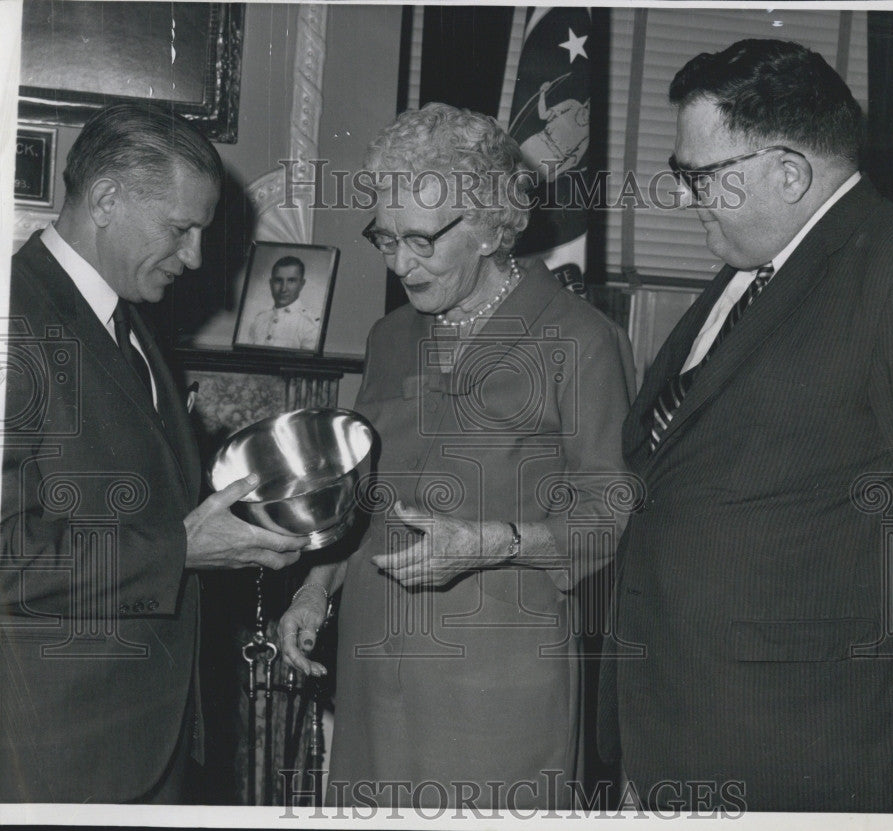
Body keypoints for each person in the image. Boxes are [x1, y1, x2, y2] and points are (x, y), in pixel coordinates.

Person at [598, 39, 893, 813]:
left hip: (820, 750)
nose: (683, 199)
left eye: (700, 176)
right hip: (680, 726)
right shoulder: (749, 269)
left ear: (788, 172)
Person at [279, 102, 635, 810]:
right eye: (384, 236)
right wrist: (316, 588)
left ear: (488, 225)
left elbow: (612, 515)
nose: (397, 262)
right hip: (376, 663)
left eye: (420, 240)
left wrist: (492, 543)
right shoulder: (389, 337)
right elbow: (361, 489)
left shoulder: (581, 340)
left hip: (498, 682)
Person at [0, 103, 309, 803]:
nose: (197, 257)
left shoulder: (128, 320)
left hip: (145, 742)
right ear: (106, 199)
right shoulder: (14, 317)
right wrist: (181, 548)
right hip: (54, 757)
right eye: (181, 228)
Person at [246, 255, 321, 349]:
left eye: (291, 281)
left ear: (301, 284)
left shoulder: (310, 325)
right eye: (278, 280)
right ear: (270, 283)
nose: (283, 289)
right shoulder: (260, 320)